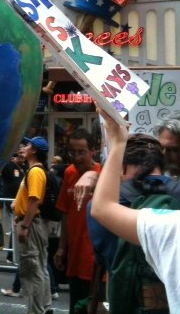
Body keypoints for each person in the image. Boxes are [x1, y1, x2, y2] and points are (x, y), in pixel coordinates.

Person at [91, 108, 180, 313]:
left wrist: (117, 143)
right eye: (162, 149)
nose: (164, 156)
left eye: (173, 150)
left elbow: (102, 209)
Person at [87, 133, 180, 271]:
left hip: (125, 284)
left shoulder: (99, 207)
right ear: (164, 166)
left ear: (122, 167)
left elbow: (105, 258)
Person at [54, 127, 101, 313]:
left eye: (82, 152)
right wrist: (61, 247)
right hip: (74, 256)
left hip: (96, 259)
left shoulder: (104, 174)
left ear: (93, 151)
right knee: (76, 307)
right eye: (72, 152)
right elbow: (65, 212)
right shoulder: (69, 173)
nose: (76, 157)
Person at [13, 137, 52, 314]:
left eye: (28, 145)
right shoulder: (36, 170)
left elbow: (35, 200)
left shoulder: (35, 171)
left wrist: (25, 225)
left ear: (34, 150)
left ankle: (36, 311)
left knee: (32, 271)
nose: (24, 147)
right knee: (40, 268)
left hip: (32, 225)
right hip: (34, 223)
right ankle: (44, 308)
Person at [0, 150, 26, 297]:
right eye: (19, 155)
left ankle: (11, 255)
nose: (21, 157)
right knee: (14, 228)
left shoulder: (28, 167)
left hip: (20, 206)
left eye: (23, 154)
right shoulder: (10, 165)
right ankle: (11, 255)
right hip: (12, 202)